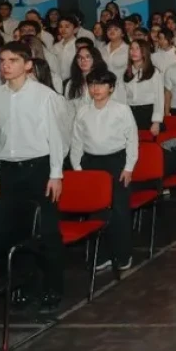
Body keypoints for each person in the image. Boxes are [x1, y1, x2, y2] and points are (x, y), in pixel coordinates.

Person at [0, 42, 67, 308]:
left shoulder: (45, 96)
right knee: (15, 232)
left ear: (28, 64)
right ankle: (23, 286)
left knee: (46, 230)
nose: (6, 65)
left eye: (13, 60)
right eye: (2, 60)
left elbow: (56, 137)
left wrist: (56, 174)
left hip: (39, 168)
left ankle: (53, 287)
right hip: (8, 170)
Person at [70, 68, 138, 273]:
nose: (96, 89)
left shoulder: (122, 110)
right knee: (96, 212)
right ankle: (101, 256)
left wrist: (128, 167)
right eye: (92, 84)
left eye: (101, 85)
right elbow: (76, 142)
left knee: (119, 211)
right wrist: (77, 168)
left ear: (111, 88)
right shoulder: (83, 111)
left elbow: (132, 140)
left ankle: (123, 255)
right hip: (91, 163)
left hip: (116, 162)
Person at [122, 38, 164, 135]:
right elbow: (124, 97)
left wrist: (156, 122)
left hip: (148, 113)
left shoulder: (154, 72)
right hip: (131, 113)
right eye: (131, 48)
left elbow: (159, 98)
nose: (133, 51)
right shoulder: (127, 72)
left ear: (144, 51)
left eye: (137, 48)